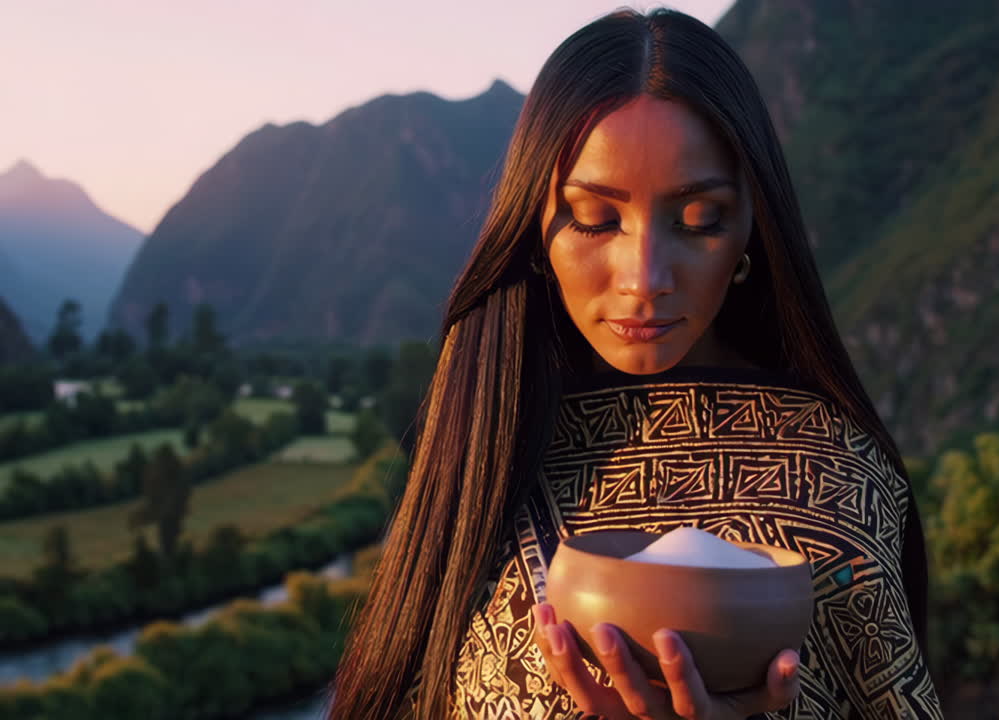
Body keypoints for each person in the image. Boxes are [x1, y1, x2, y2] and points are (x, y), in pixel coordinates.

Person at [328, 7, 940, 720]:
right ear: (535, 223)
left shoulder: (838, 483)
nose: (644, 277)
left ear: (751, 227)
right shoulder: (484, 457)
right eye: (595, 216)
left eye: (698, 219)